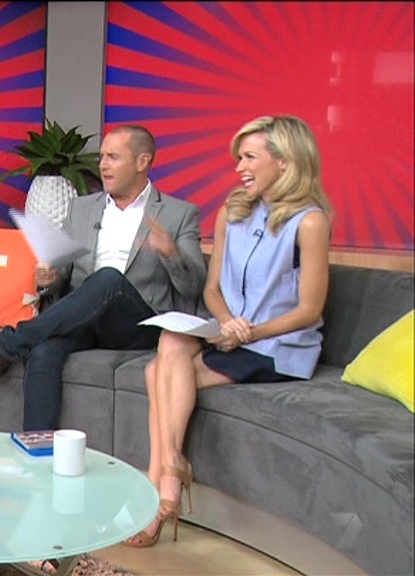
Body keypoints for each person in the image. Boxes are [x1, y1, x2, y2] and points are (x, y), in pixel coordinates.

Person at [125, 115, 333, 547]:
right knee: (170, 341)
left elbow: (309, 310)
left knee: (156, 372)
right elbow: (212, 289)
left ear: (285, 161)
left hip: (278, 346)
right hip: (232, 336)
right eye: (239, 158)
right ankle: (170, 472)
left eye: (250, 157)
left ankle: (159, 487)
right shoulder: (231, 213)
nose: (240, 167)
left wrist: (249, 334)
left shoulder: (310, 222)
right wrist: (225, 322)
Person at [0, 125, 207, 431]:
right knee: (43, 349)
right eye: (102, 157)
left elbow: (193, 286)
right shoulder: (82, 208)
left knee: (108, 279)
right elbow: (63, 274)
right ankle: (37, 447)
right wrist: (50, 278)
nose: (103, 165)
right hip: (84, 320)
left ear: (142, 161)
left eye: (113, 157)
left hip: (137, 326)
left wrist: (170, 251)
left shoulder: (178, 214)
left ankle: (4, 346)